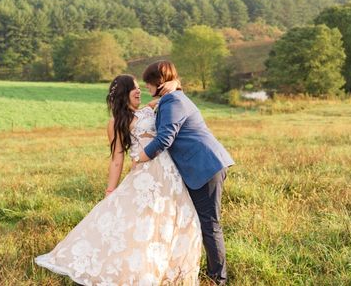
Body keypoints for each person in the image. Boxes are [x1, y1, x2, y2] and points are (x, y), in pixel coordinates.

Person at [35, 74, 202, 285]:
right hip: (145, 176)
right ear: (124, 94)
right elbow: (117, 159)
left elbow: (176, 99)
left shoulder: (149, 109)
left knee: (174, 219)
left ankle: (172, 270)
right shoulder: (115, 123)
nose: (139, 91)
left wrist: (176, 83)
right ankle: (142, 271)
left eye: (139, 87)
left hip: (170, 175)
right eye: (134, 88)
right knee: (144, 224)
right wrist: (110, 191)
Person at [135, 61, 234, 285]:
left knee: (210, 224)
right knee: (201, 222)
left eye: (149, 84)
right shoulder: (171, 98)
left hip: (206, 166)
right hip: (202, 165)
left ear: (158, 83)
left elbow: (164, 139)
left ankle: (218, 278)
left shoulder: (173, 100)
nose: (147, 88)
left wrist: (139, 158)